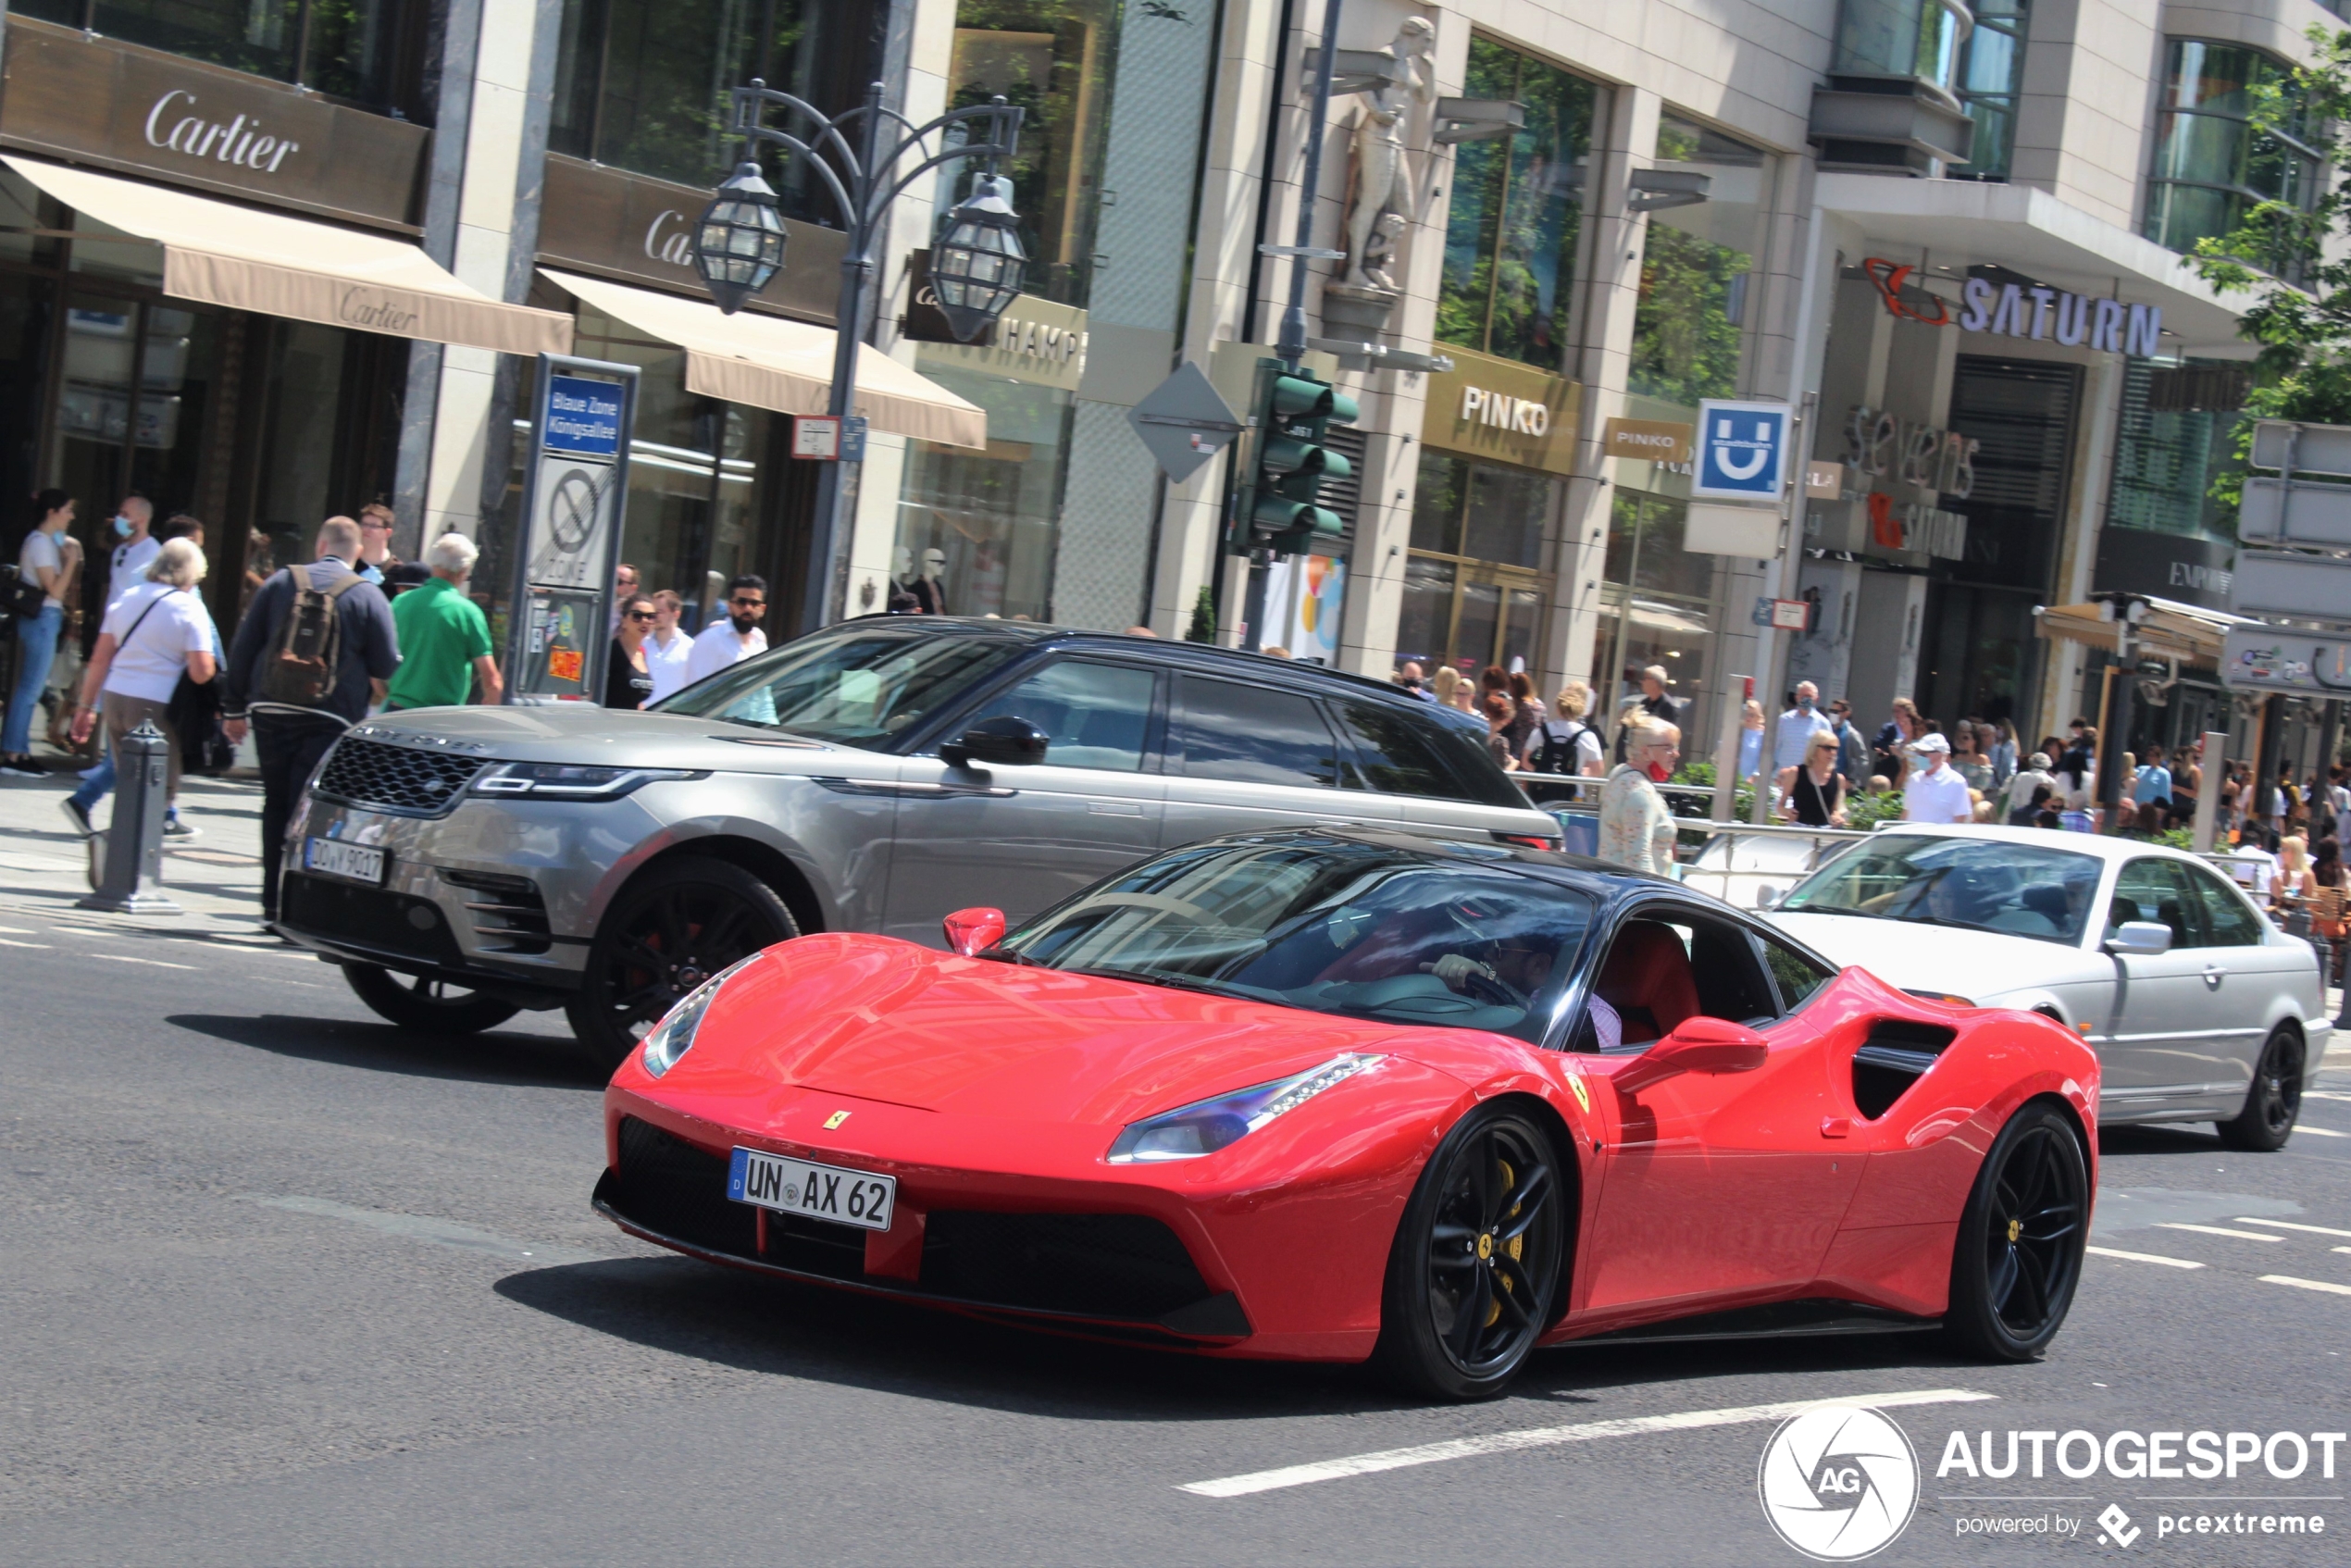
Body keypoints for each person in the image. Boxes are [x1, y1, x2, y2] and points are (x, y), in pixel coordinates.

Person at [222, 516, 401, 925]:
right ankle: (297, 905)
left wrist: (233, 709)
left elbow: (244, 646)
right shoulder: (367, 594)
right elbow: (385, 664)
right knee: (313, 811)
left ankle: (270, 902)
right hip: (330, 715)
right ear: (357, 552)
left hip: (270, 709)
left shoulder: (281, 582)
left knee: (276, 804)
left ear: (320, 545)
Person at [61, 537, 217, 832]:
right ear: (189, 573)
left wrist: (85, 708)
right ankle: (139, 853)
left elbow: (100, 659)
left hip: (116, 697)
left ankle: (123, 845)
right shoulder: (189, 608)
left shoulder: (128, 598)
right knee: (160, 787)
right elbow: (201, 671)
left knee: (128, 780)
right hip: (155, 703)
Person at [2, 490, 76, 776]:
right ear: (52, 512)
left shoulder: (45, 543)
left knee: (31, 687)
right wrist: (70, 560)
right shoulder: (40, 543)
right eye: (68, 509)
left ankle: (18, 751)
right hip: (42, 617)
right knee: (30, 688)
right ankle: (13, 753)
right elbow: (55, 589)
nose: (71, 516)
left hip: (46, 617)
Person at [384, 532, 500, 712]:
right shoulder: (467, 613)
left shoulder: (400, 602)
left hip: (395, 711)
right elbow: (491, 681)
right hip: (440, 718)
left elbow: (378, 668)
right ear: (463, 571)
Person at [1598, 716, 1680, 876]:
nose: (1676, 754)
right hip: (1636, 891)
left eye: (1675, 747)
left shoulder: (1620, 775)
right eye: (1668, 748)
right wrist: (1655, 897)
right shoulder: (1640, 791)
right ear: (1645, 752)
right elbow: (1638, 858)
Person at [686, 574, 767, 682]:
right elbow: (695, 690)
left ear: (762, 609)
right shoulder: (710, 640)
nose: (748, 608)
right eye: (741, 602)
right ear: (729, 606)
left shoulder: (759, 639)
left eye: (754, 603)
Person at [1528, 680, 1605, 778]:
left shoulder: (1541, 731)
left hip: (1541, 790)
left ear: (1558, 708)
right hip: (1573, 791)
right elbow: (1598, 770)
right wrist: (1580, 772)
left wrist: (1544, 771)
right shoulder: (1587, 736)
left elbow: (1526, 761)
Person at [1776, 730, 1848, 827]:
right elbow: (1780, 806)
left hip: (1823, 832)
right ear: (1814, 748)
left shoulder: (1839, 779)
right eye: (1827, 748)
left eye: (1835, 749)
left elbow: (1836, 809)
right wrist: (1787, 812)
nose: (1832, 752)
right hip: (1799, 830)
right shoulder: (1796, 772)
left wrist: (1837, 817)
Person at [1613, 665, 1681, 761]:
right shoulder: (1643, 703)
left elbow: (1672, 738)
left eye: (1645, 678)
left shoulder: (1668, 707)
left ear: (1654, 682)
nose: (1642, 682)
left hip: (1656, 760)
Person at [1901, 732, 1972, 823]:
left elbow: (1961, 818)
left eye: (1924, 753)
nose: (1920, 756)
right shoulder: (1914, 779)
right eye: (1918, 752)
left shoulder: (1956, 782)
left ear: (1939, 754)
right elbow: (1906, 813)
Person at [1773, 681, 1835, 777]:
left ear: (1816, 699)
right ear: (1796, 697)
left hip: (1808, 778)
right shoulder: (1784, 720)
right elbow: (1773, 747)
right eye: (1802, 696)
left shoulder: (1823, 723)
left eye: (1809, 696)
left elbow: (1829, 753)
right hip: (1783, 777)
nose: (1805, 699)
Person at [606, 594, 656, 708]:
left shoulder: (642, 653)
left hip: (632, 723)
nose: (645, 621)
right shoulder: (610, 652)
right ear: (624, 620)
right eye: (637, 616)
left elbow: (635, 700)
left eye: (650, 617)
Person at [644, 590, 694, 703]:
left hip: (672, 717)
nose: (654, 616)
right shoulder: (642, 644)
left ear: (676, 614)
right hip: (640, 715)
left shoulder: (690, 647)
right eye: (652, 612)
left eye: (659, 612)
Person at [106, 493, 158, 592]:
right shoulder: (120, 550)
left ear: (142, 520)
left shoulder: (154, 554)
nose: (119, 518)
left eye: (125, 515)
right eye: (120, 513)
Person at [354, 501, 401, 585]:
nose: (366, 529)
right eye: (364, 524)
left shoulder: (398, 572)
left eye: (373, 526)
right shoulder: (349, 565)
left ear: (387, 533)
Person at [1828, 698, 1870, 788]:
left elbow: (1863, 759)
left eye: (1836, 711)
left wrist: (1852, 779)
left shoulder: (1852, 734)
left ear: (1846, 714)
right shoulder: (1826, 730)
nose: (1832, 714)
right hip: (1826, 779)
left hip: (1843, 782)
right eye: (1831, 711)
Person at [2271, 833, 2317, 907]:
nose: (2281, 853)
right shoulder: (2280, 871)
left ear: (2295, 851)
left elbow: (2309, 902)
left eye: (2285, 850)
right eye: (2281, 849)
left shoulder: (2306, 874)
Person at [2006, 752, 2057, 816]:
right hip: (2040, 817)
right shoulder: (2051, 781)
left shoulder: (2021, 776)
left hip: (2020, 814)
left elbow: (2013, 798)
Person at [2132, 742, 2173, 815]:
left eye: (2152, 756)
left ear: (2159, 757)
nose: (2149, 758)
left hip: (2150, 810)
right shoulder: (2141, 769)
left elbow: (2165, 795)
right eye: (2148, 755)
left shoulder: (2164, 773)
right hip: (2136, 808)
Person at [1950, 723, 1993, 793]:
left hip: (1974, 796)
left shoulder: (1982, 759)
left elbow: (1984, 783)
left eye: (1966, 738)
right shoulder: (1958, 757)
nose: (1963, 741)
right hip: (1956, 793)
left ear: (1974, 741)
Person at [1737, 700, 1764, 781]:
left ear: (1758, 716)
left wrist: (1754, 776)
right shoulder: (1738, 730)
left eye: (1752, 715)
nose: (1748, 718)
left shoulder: (1762, 734)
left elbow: (1763, 758)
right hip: (1733, 778)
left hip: (1751, 781)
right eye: (1746, 714)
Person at [609, 562, 639, 637]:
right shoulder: (599, 608)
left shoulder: (637, 615)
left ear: (633, 588)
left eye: (619, 582)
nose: (613, 584)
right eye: (611, 579)